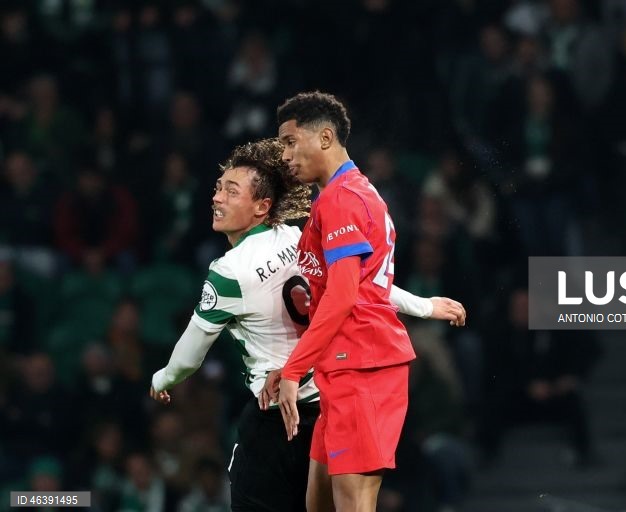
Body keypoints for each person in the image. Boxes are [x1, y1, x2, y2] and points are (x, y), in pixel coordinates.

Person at [149, 138, 466, 512]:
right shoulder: (297, 237)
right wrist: (424, 306)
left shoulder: (228, 273)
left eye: (231, 192)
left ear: (262, 206)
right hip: (328, 411)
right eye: (218, 188)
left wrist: (162, 380)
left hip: (277, 418)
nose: (216, 198)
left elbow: (188, 357)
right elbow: (360, 286)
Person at [275, 91, 417, 511]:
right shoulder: (343, 194)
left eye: (288, 141)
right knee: (317, 503)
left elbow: (342, 294)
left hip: (363, 366)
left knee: (353, 505)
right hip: (344, 366)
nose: (284, 155)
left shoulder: (342, 199)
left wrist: (293, 368)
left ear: (323, 137)